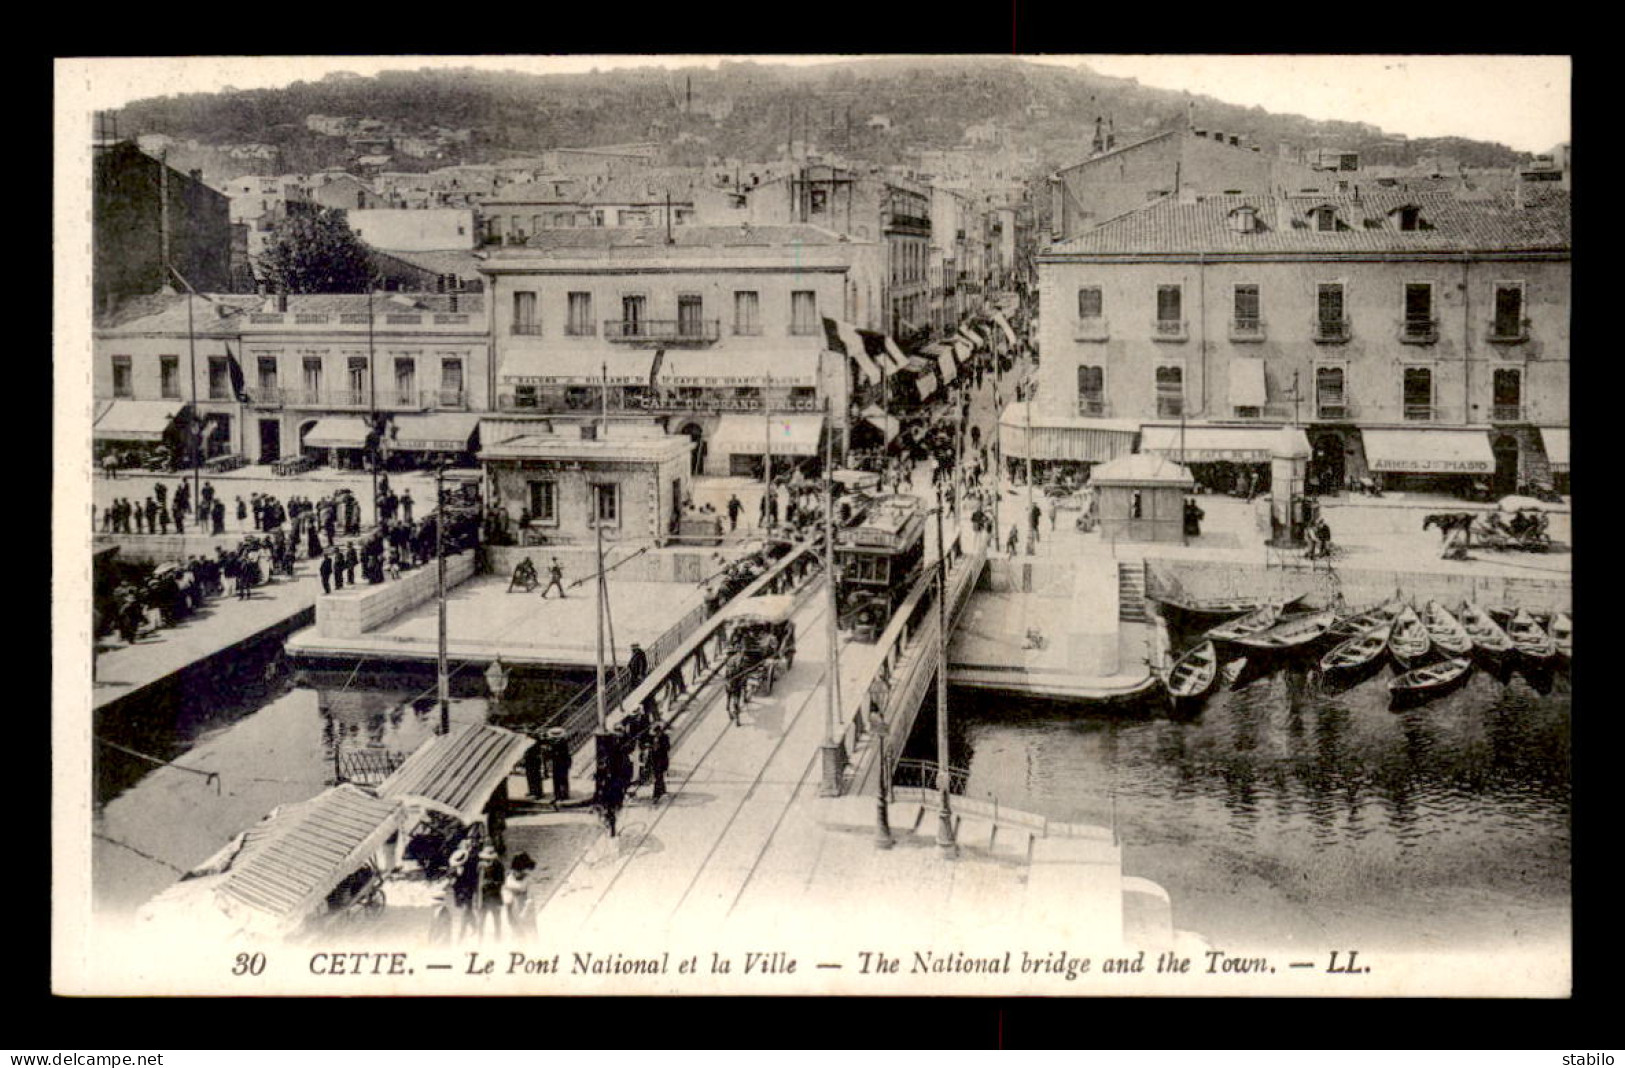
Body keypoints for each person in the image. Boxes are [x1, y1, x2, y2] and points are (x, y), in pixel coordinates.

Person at [475, 843, 505, 940]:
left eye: (488, 859)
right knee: (481, 921)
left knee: (497, 920)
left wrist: (490, 883)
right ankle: (480, 940)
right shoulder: (480, 866)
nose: (487, 861)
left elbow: (501, 881)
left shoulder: (499, 866)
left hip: (494, 897)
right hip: (482, 898)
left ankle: (498, 939)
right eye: (485, 859)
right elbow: (476, 881)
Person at [503, 853, 535, 935]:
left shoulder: (528, 880)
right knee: (515, 932)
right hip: (513, 907)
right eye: (516, 871)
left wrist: (524, 913)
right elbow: (506, 894)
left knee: (529, 933)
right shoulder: (509, 878)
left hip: (524, 908)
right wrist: (508, 909)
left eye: (521, 871)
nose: (518, 873)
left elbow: (530, 899)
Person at [545, 727, 572, 803]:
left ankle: (562, 794)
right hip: (557, 762)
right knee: (558, 779)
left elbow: (565, 754)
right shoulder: (557, 742)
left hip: (562, 762)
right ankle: (559, 794)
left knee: (562, 778)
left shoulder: (561, 742)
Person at [646, 721, 670, 803]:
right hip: (654, 760)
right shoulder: (652, 737)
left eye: (657, 732)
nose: (656, 734)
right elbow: (649, 748)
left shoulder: (664, 737)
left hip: (662, 761)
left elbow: (667, 748)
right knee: (659, 777)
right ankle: (663, 791)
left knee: (658, 777)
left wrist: (659, 746)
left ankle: (656, 795)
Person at [523, 732, 546, 799]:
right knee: (530, 776)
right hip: (529, 760)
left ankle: (538, 793)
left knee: (535, 776)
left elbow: (536, 752)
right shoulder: (530, 741)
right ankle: (532, 791)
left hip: (534, 760)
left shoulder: (535, 741)